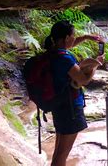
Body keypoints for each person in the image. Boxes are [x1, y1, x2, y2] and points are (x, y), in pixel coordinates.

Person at [44, 20, 104, 166]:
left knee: (59, 151)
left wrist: (86, 37)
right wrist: (96, 64)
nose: (74, 38)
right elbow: (83, 80)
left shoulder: (53, 51)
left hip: (60, 105)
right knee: (62, 153)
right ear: (66, 38)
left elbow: (70, 44)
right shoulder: (65, 58)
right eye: (73, 35)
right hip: (70, 108)